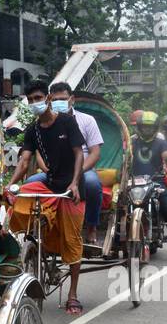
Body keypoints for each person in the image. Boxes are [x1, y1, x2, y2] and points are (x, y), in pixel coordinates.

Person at [11, 80, 88, 315]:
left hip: (72, 189)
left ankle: (73, 294)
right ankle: (33, 245)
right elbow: (24, 160)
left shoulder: (67, 122)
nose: (35, 102)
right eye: (31, 99)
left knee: (73, 240)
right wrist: (11, 185)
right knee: (20, 201)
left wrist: (75, 183)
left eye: (38, 98)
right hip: (51, 185)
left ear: (47, 98)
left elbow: (79, 154)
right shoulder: (33, 130)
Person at [24, 82, 106, 248]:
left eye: (63, 99)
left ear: (72, 99)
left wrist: (76, 173)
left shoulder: (86, 120)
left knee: (91, 184)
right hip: (54, 169)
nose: (58, 103)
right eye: (55, 100)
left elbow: (95, 153)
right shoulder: (43, 124)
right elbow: (37, 152)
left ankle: (91, 226)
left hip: (82, 167)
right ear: (49, 100)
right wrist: (46, 169)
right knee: (30, 184)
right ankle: (40, 226)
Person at [129, 111, 167, 262]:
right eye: (144, 127)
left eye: (150, 127)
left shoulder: (161, 142)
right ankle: (114, 247)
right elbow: (125, 157)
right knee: (119, 209)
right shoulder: (132, 141)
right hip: (134, 183)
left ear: (155, 128)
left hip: (156, 182)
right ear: (139, 127)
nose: (147, 130)